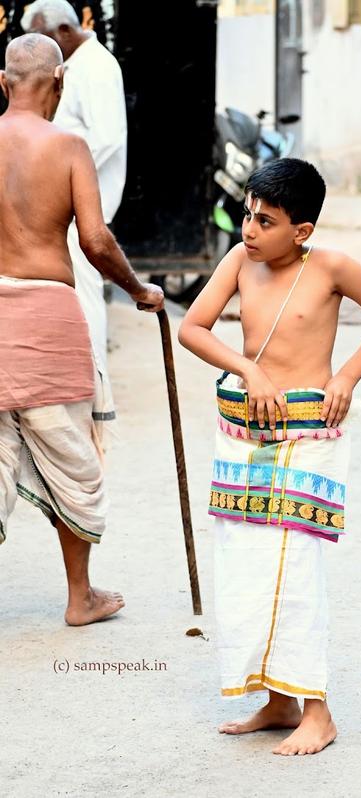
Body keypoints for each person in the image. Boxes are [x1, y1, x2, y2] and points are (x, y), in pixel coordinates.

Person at [178, 158, 361, 756]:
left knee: (295, 565)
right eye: (248, 216)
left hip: (310, 435)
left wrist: (348, 377)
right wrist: (247, 366)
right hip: (245, 435)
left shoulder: (330, 267)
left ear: (301, 231)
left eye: (266, 221)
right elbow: (194, 329)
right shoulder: (238, 262)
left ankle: (318, 711)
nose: (249, 231)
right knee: (249, 564)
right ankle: (277, 701)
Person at [0, 33, 163, 626]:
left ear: (2, 83)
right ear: (60, 85)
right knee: (73, 460)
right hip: (48, 317)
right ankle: (80, 597)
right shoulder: (69, 147)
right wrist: (139, 290)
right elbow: (95, 240)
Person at [21, 0, 127, 416]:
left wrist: (59, 177)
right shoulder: (77, 65)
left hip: (86, 197)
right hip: (70, 193)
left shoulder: (97, 66)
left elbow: (106, 139)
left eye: (45, 42)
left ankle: (95, 390)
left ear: (64, 31)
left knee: (85, 292)